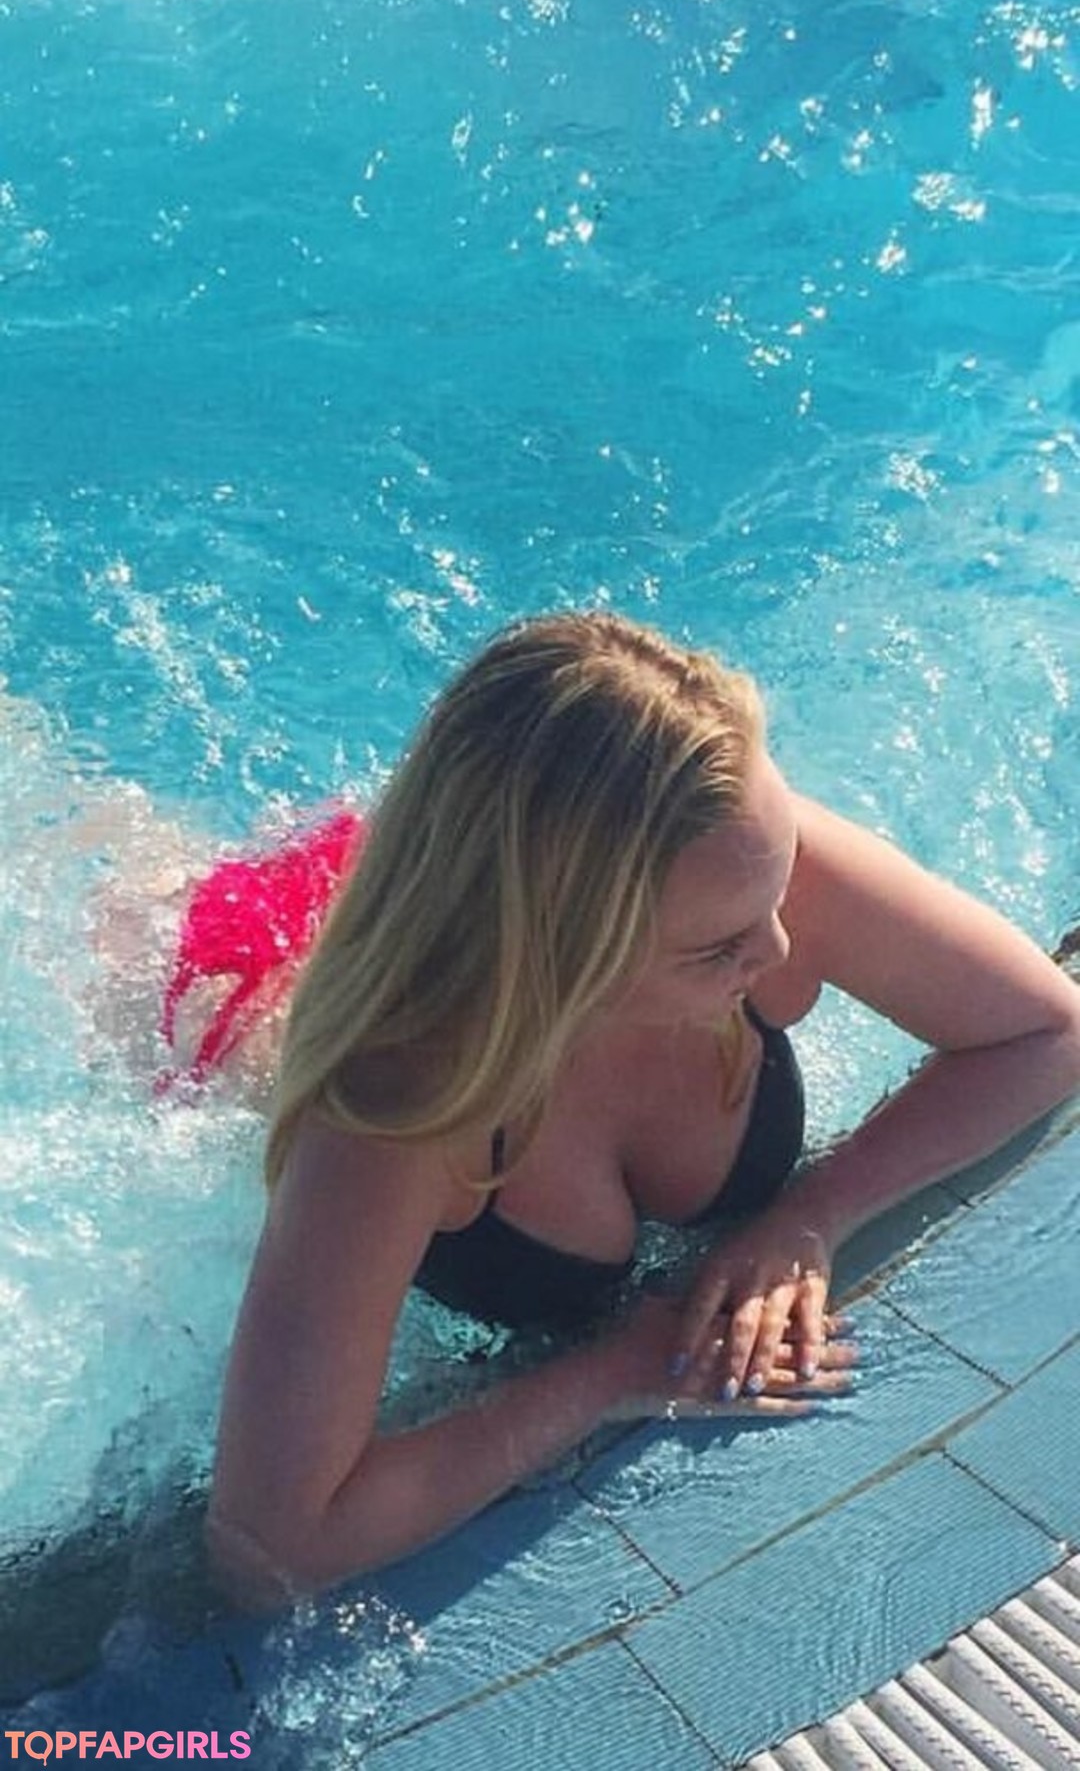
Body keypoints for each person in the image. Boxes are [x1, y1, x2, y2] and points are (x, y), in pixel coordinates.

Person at [201, 611, 1080, 1607]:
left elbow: (1047, 1030)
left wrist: (808, 1216)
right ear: (565, 956)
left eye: (776, 893)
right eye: (718, 950)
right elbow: (270, 1542)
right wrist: (606, 1374)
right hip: (235, 978)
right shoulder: (400, 1114)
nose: (781, 952)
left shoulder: (733, 860)